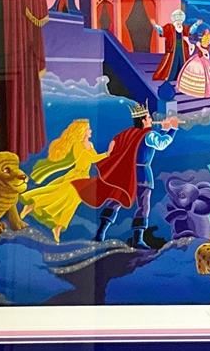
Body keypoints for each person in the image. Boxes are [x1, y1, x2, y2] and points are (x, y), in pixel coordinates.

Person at [74, 103, 180, 247]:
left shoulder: (126, 133)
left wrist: (164, 128)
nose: (151, 120)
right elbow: (161, 143)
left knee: (115, 200)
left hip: (125, 173)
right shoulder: (148, 134)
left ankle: (100, 233)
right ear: (143, 120)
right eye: (149, 118)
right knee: (143, 205)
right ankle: (138, 239)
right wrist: (172, 129)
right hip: (142, 174)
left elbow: (113, 145)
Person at [21, 119, 108, 241]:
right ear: (82, 131)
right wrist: (107, 154)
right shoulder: (77, 145)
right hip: (75, 177)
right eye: (88, 128)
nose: (90, 131)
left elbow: (94, 159)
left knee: (73, 203)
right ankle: (33, 205)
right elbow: (91, 158)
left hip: (84, 179)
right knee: (59, 195)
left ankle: (58, 227)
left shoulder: (90, 145)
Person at [152, 8, 201, 84]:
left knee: (182, 62)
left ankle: (181, 77)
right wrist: (155, 26)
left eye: (180, 22)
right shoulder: (169, 27)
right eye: (178, 22)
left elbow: (190, 31)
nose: (179, 23)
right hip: (173, 49)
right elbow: (162, 30)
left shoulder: (184, 28)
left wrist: (196, 24)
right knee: (173, 63)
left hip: (182, 49)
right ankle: (171, 77)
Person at [177, 28, 210, 98]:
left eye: (208, 40)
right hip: (195, 60)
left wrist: (199, 47)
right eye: (204, 39)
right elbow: (191, 51)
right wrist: (188, 42)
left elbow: (206, 56)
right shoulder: (198, 44)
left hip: (204, 64)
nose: (206, 41)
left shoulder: (206, 49)